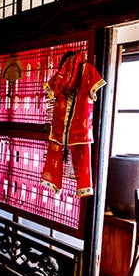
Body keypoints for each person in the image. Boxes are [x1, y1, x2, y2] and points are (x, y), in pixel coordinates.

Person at [41, 52, 105, 197]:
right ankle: (84, 189)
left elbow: (51, 91)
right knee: (83, 159)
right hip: (80, 125)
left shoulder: (62, 73)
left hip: (60, 124)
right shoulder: (88, 70)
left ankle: (54, 184)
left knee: (56, 153)